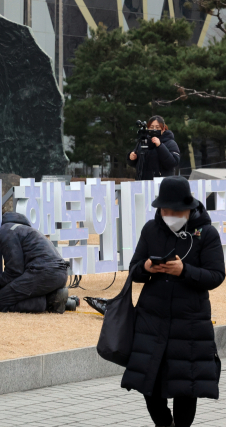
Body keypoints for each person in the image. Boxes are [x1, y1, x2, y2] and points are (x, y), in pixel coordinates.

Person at [122, 176, 224, 427]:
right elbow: (134, 270)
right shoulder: (150, 229)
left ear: (189, 208)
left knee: (185, 388)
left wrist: (185, 271)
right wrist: (146, 267)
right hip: (151, 320)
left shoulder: (206, 234)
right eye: (165, 210)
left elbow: (216, 275)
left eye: (176, 211)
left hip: (189, 324)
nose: (170, 215)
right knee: (149, 385)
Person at [0, 212, 73, 313]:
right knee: (11, 294)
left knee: (0, 302)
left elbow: (14, 272)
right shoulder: (28, 231)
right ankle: (55, 297)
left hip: (43, 273)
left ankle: (50, 301)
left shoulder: (7, 231)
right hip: (60, 274)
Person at [127, 115, 180, 180]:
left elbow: (173, 162)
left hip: (162, 183)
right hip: (142, 183)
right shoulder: (143, 142)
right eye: (151, 127)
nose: (154, 130)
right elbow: (136, 163)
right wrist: (131, 158)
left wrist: (160, 146)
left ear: (163, 129)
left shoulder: (170, 143)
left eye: (157, 127)